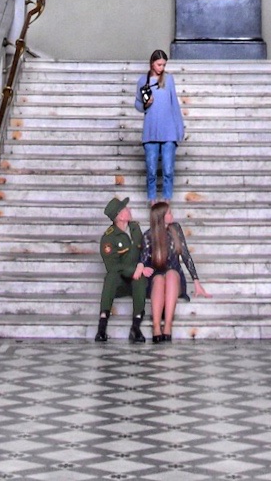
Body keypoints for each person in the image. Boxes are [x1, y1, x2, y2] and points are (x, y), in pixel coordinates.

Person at [147, 199, 207, 342]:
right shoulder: (148, 235)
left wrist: (196, 282)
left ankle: (168, 325)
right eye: (169, 213)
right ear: (161, 217)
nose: (172, 215)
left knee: (171, 274)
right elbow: (143, 261)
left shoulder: (176, 229)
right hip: (156, 277)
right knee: (159, 279)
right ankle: (156, 326)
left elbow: (185, 255)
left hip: (174, 276)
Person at [96, 196, 150, 343]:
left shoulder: (135, 228)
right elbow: (112, 266)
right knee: (111, 277)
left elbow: (144, 249)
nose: (129, 210)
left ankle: (136, 326)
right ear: (119, 217)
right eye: (125, 209)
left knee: (139, 279)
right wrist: (134, 270)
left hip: (135, 279)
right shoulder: (108, 238)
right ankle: (102, 326)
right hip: (119, 282)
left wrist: (141, 266)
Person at [136, 49, 185, 203]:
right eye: (159, 64)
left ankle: (166, 202)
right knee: (151, 170)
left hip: (169, 131)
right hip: (151, 131)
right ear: (152, 63)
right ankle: (152, 202)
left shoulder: (169, 80)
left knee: (168, 170)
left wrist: (180, 128)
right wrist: (146, 104)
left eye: (164, 65)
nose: (161, 68)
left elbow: (174, 104)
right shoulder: (143, 81)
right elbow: (137, 105)